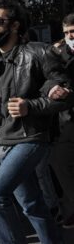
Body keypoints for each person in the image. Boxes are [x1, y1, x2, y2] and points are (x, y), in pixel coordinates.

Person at [0, 0, 70, 244]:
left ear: (15, 25)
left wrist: (29, 106)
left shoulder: (39, 52)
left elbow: (65, 94)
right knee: (31, 203)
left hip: (31, 137)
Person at [50, 12, 74, 229]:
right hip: (67, 117)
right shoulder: (59, 53)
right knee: (60, 161)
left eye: (73, 32)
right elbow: (51, 76)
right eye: (66, 32)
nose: (70, 36)